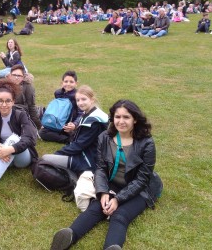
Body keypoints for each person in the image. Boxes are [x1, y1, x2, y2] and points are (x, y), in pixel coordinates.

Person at [50, 100, 163, 250]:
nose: (121, 121)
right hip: (113, 182)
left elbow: (142, 179)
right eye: (117, 117)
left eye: (126, 117)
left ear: (135, 119)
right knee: (96, 207)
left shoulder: (147, 143)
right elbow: (101, 168)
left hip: (141, 187)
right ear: (112, 118)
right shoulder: (105, 137)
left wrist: (117, 199)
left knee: (120, 215)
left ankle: (112, 247)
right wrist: (102, 192)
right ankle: (69, 235)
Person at [42, 85, 108, 175]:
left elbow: (79, 145)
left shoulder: (93, 121)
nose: (80, 103)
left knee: (45, 159)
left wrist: (58, 153)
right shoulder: (90, 113)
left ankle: (74, 177)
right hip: (85, 153)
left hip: (87, 160)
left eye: (84, 99)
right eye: (78, 100)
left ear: (92, 100)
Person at [39, 70, 83, 144]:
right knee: (42, 133)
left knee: (78, 133)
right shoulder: (58, 93)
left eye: (71, 82)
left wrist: (74, 124)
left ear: (76, 83)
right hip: (57, 123)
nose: (68, 84)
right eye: (66, 81)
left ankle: (70, 138)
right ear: (62, 83)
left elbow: (81, 113)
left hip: (69, 126)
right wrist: (47, 122)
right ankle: (68, 140)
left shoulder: (78, 96)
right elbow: (54, 109)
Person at [8, 64, 41, 129]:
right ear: (10, 76)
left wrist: (38, 125)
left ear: (23, 77)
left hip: (21, 115)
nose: (16, 77)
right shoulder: (6, 86)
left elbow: (31, 106)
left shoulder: (27, 87)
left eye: (19, 76)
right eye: (14, 75)